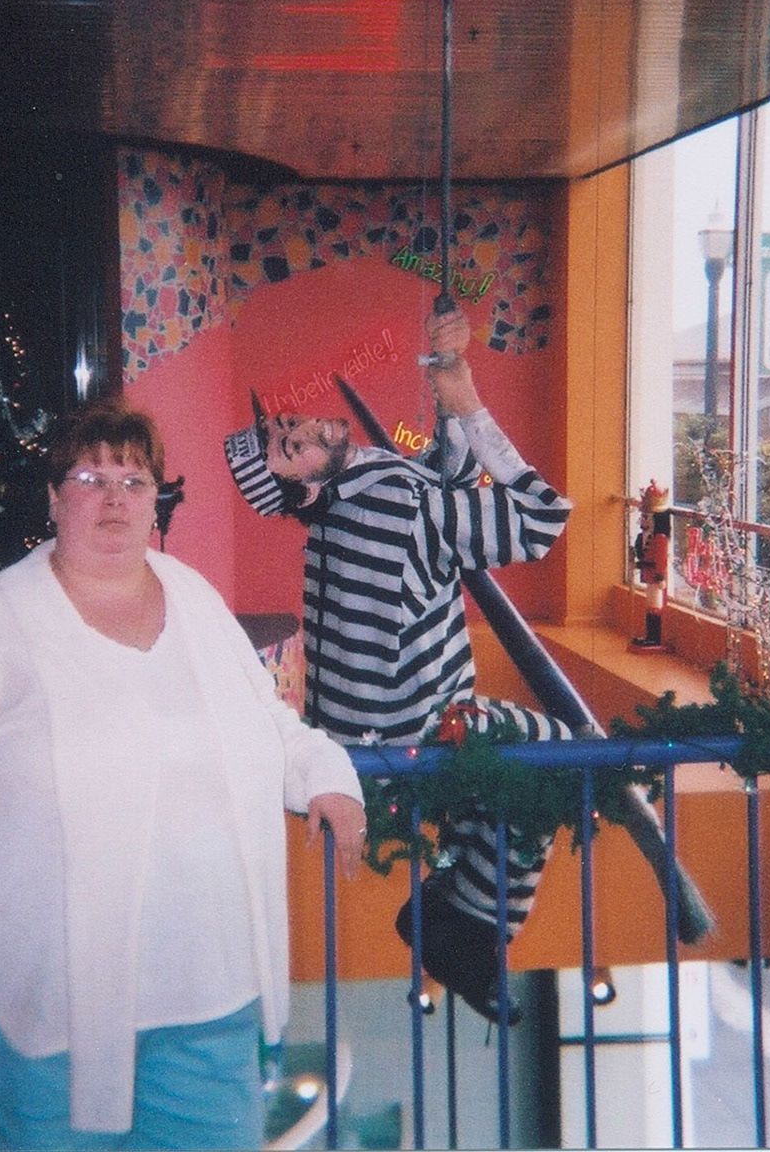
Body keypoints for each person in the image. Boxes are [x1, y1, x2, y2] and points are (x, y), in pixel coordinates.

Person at [0, 400, 368, 1149]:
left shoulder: (194, 599)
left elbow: (269, 723)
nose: (114, 500)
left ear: (156, 499)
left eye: (134, 482)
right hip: (43, 1020)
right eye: (90, 479)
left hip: (209, 1003)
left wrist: (326, 775)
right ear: (52, 498)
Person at [223, 306, 584, 1021]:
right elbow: (542, 519)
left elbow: (442, 475)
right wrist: (469, 404)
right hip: (419, 737)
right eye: (288, 447)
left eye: (286, 425)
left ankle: (460, 924)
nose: (300, 429)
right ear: (304, 489)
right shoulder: (391, 507)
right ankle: (464, 931)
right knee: (555, 756)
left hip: (363, 748)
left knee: (505, 780)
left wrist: (445, 379)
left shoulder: (350, 502)